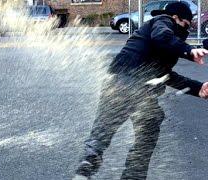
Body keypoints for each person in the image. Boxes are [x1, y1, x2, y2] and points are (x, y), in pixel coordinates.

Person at [73, 2, 208, 180]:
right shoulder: (163, 21)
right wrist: (188, 50)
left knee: (102, 132)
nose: (185, 32)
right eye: (186, 25)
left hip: (115, 83)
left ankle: (85, 171)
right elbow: (162, 36)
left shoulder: (162, 43)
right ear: (176, 18)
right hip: (135, 87)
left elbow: (165, 75)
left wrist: (198, 89)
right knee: (148, 129)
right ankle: (132, 175)